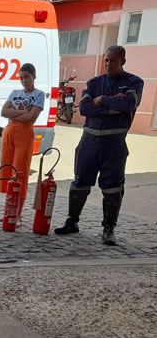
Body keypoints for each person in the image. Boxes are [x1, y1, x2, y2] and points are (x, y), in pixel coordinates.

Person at [54, 46, 143, 246]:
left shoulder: (134, 82)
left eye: (113, 61)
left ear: (123, 61)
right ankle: (72, 222)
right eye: (106, 61)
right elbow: (84, 108)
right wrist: (110, 110)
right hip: (89, 141)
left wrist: (102, 100)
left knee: (112, 187)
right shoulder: (94, 82)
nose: (108, 64)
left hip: (114, 144)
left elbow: (129, 104)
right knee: (80, 182)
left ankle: (109, 229)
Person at [0, 63, 44, 224]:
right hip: (10, 132)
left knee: (20, 171)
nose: (24, 81)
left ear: (33, 76)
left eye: (27, 77)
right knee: (8, 170)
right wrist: (23, 112)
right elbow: (4, 112)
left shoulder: (39, 94)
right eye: (21, 78)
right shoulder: (15, 92)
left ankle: (17, 214)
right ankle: (8, 210)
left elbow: (32, 117)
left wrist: (15, 114)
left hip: (24, 134)